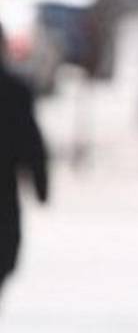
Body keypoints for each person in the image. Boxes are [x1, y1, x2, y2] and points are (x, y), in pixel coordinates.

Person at [0, 22, 49, 301]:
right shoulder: (16, 90)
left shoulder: (16, 90)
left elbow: (31, 140)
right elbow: (33, 143)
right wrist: (41, 185)